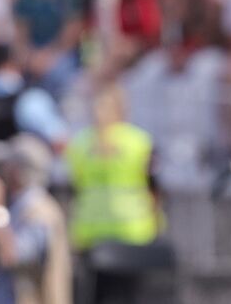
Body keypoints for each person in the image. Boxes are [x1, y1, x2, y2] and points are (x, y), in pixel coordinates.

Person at [64, 83, 161, 304]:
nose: (100, 113)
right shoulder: (81, 143)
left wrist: (155, 223)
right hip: (91, 233)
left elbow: (153, 187)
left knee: (130, 295)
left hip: (132, 231)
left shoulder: (139, 142)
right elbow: (76, 187)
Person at [0, 133, 72, 304]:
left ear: (18, 171)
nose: (0, 170)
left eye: (6, 164)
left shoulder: (41, 211)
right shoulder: (17, 205)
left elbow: (10, 255)